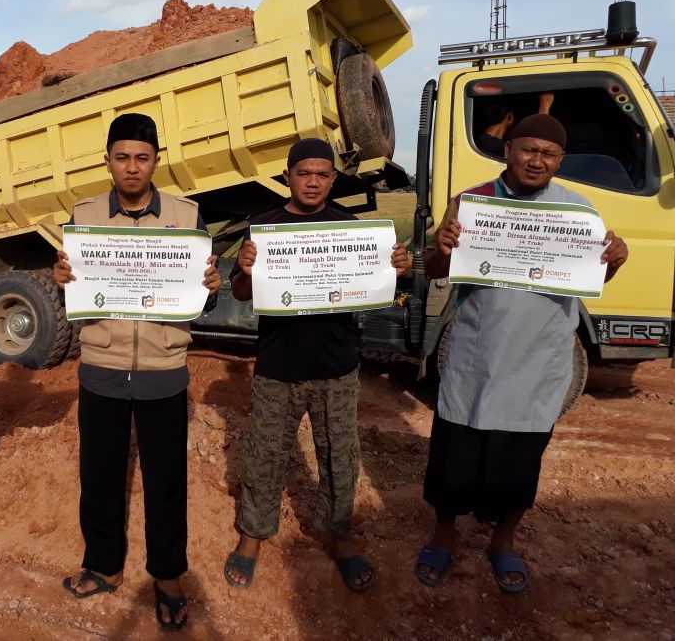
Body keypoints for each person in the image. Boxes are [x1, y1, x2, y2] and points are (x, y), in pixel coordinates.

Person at [414, 114, 627, 593]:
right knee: (454, 462)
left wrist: (614, 262)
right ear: (507, 150)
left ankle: (502, 542)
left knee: (519, 465)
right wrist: (444, 248)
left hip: (538, 361)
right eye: (528, 149)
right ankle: (443, 536)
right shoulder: (472, 203)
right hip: (477, 354)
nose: (537, 160)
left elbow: (592, 280)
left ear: (560, 161)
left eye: (548, 154)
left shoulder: (577, 212)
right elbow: (432, 270)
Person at [52, 112, 220, 633]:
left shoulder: (187, 218)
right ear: (107, 161)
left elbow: (202, 305)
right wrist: (61, 280)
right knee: (100, 475)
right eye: (121, 157)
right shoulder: (82, 218)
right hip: (101, 366)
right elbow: (75, 296)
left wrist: (209, 288)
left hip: (163, 369)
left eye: (142, 157)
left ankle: (167, 577)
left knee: (166, 481)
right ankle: (102, 563)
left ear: (156, 162)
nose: (131, 167)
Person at [222, 138, 412, 593]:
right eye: (303, 173)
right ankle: (252, 535)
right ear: (287, 176)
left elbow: (379, 284)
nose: (312, 181)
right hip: (276, 366)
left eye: (322, 174)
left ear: (333, 179)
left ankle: (339, 535)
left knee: (338, 456)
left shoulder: (352, 230)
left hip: (337, 366)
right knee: (266, 455)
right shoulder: (264, 228)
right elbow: (244, 295)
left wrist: (396, 268)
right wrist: (245, 269)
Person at [476, 92, 554, 157]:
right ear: (509, 115)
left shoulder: (480, 141)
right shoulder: (494, 146)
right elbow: (538, 144)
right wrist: (544, 107)